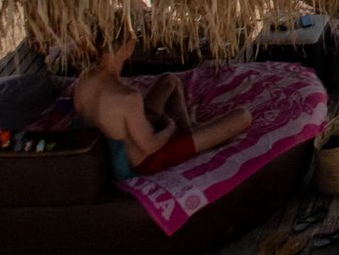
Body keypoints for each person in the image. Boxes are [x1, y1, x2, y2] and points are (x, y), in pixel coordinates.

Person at [73, 34, 251, 180]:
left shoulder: (84, 79)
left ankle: (190, 128)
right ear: (128, 48)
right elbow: (150, 146)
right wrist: (170, 127)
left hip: (128, 133)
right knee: (243, 116)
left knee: (169, 80)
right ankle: (191, 134)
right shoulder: (127, 97)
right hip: (148, 159)